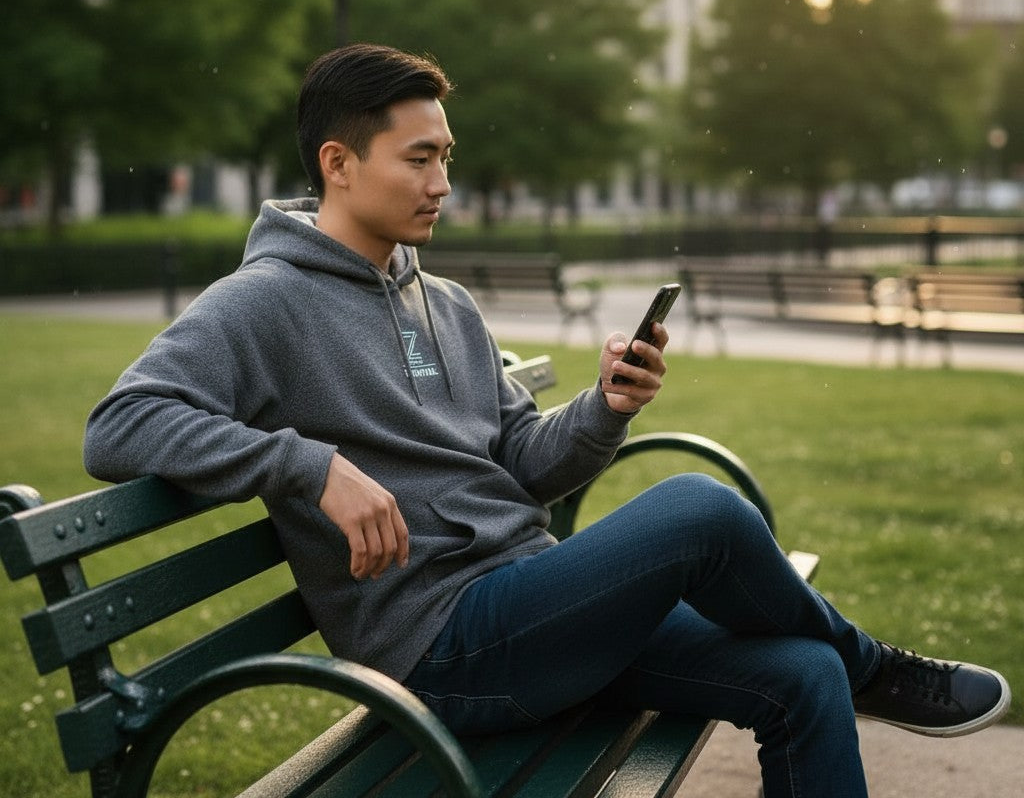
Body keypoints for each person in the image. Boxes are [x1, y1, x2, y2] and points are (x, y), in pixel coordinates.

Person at [83, 43, 1010, 798]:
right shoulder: (264, 303)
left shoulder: (444, 300)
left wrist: (603, 409)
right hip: (444, 648)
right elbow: (119, 425)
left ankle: (845, 669)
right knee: (700, 508)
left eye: (446, 155)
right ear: (338, 163)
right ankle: (877, 670)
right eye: (419, 157)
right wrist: (307, 465)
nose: (443, 179)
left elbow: (522, 463)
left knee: (799, 678)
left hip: (534, 608)